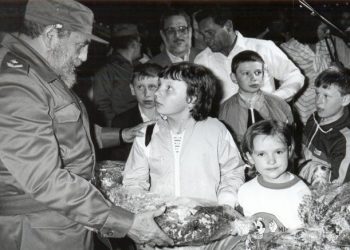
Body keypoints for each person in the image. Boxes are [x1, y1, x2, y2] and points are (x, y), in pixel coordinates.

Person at [0, 1, 174, 249]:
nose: (83, 57)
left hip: (64, 217)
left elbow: (64, 131)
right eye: (80, 45)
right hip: (39, 230)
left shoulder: (37, 73)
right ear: (51, 35)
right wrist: (126, 222)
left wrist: (122, 134)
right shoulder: (17, 84)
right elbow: (44, 179)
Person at [123, 62, 245, 209]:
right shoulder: (147, 133)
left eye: (168, 88)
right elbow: (134, 181)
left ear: (191, 99)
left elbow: (233, 172)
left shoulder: (216, 130)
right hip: (161, 221)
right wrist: (143, 209)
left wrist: (226, 201)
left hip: (206, 220)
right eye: (160, 85)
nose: (156, 92)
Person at [194, 8, 305, 103]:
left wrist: (274, 100)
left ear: (228, 26)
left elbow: (294, 76)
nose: (206, 39)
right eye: (202, 34)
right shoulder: (202, 61)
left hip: (265, 124)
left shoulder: (262, 48)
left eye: (210, 33)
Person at [238, 120, 311, 234]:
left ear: (289, 150)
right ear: (250, 157)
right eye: (261, 154)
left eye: (278, 152)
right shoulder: (244, 191)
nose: (271, 161)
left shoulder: (301, 191)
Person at [219, 50, 294, 145]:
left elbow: (290, 140)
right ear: (234, 77)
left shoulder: (279, 104)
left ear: (263, 74)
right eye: (246, 73)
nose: (253, 78)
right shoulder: (225, 109)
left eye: (258, 72)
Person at [299, 66, 350, 185]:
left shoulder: (344, 140)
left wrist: (305, 168)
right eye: (317, 93)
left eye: (326, 96)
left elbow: (338, 185)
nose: (318, 101)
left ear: (345, 99)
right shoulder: (314, 118)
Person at [109, 63, 162, 161]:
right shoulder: (121, 121)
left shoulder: (173, 117)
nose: (146, 94)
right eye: (140, 87)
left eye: (152, 87)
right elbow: (118, 162)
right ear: (132, 89)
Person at [94, 23, 142, 126]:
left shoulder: (136, 67)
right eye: (139, 42)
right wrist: (116, 129)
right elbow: (102, 105)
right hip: (123, 131)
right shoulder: (108, 70)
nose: (141, 45)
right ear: (133, 44)